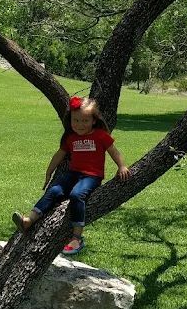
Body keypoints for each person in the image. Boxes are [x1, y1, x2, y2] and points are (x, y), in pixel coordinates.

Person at [12, 96, 131, 255]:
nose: (80, 125)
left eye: (85, 121)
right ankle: (29, 220)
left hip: (92, 177)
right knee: (54, 191)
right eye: (76, 121)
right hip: (73, 174)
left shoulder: (100, 136)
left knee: (77, 195)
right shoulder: (71, 138)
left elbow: (114, 151)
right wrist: (49, 172)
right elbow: (58, 155)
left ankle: (77, 238)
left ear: (93, 121)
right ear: (71, 120)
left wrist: (122, 166)